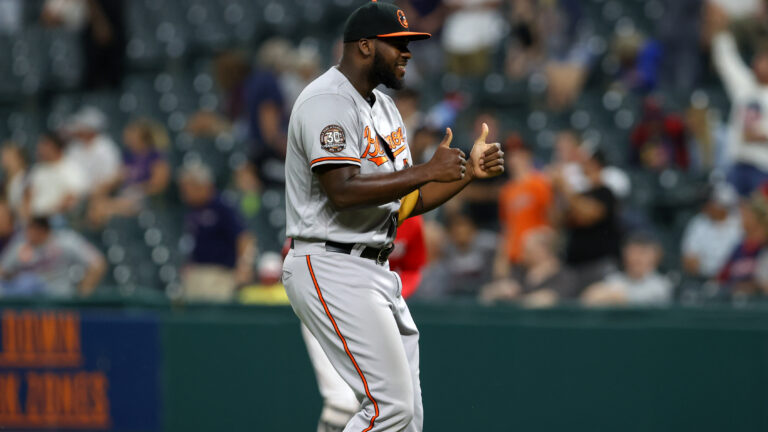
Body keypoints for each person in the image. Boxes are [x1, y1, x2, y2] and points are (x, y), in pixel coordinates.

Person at [281, 2, 504, 431]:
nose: (407, 53)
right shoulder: (327, 101)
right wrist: (426, 169)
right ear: (365, 46)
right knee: (390, 409)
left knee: (407, 418)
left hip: (373, 266)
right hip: (330, 261)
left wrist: (467, 174)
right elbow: (342, 191)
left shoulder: (383, 108)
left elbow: (405, 202)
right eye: (397, 44)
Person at [709, 6, 768, 196]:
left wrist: (763, 135)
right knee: (735, 216)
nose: (761, 64)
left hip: (763, 166)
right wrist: (721, 29)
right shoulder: (745, 85)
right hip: (735, 163)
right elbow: (726, 59)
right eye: (760, 59)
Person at [178, 162, 255, 303]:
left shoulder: (222, 207)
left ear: (201, 186)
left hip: (220, 274)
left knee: (213, 316)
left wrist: (244, 266)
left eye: (187, 188)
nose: (184, 194)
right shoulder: (192, 209)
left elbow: (244, 237)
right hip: (197, 272)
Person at [553, 149, 622, 294]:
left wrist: (564, 187)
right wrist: (556, 191)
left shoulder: (606, 192)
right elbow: (558, 221)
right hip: (575, 266)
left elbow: (589, 215)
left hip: (599, 264)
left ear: (596, 165)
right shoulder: (579, 195)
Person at [87, 118, 171, 227]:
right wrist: (101, 189)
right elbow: (118, 177)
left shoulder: (155, 156)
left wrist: (139, 189)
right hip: (125, 195)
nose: (128, 138)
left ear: (142, 137)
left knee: (103, 208)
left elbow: (159, 184)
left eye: (132, 135)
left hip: (144, 198)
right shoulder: (128, 156)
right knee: (97, 203)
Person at [0, 216, 105, 297]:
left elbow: (97, 262)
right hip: (26, 304)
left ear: (44, 230)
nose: (29, 233)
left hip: (59, 301)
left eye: (35, 229)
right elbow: (3, 270)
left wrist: (85, 290)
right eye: (29, 228)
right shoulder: (20, 245)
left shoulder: (66, 241)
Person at [494, 135, 552, 279]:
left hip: (536, 256)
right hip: (515, 256)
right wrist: (501, 258)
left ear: (527, 155)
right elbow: (507, 228)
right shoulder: (506, 191)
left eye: (519, 153)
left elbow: (551, 220)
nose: (514, 158)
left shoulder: (540, 183)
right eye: (511, 155)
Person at [482, 227, 576, 307]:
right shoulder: (519, 271)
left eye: (527, 251)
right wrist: (497, 290)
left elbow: (549, 298)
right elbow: (486, 294)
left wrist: (517, 301)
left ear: (544, 250)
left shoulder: (565, 276)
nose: (522, 255)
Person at [582, 232, 673, 306]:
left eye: (642, 253)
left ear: (655, 257)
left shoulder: (662, 284)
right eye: (633, 253)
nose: (636, 258)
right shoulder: (615, 279)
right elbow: (588, 298)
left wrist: (619, 298)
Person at [681, 183, 743, 278]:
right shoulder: (699, 222)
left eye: (709, 203)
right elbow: (689, 260)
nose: (705, 207)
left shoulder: (740, 222)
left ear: (720, 204)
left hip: (732, 278)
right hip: (703, 277)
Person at [22, 131, 87, 220]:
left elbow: (72, 198)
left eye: (45, 145)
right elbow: (27, 195)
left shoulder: (71, 168)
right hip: (35, 220)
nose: (40, 149)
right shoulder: (37, 169)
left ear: (56, 147)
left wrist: (48, 213)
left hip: (60, 218)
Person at [63, 106, 121, 195]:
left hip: (99, 193)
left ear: (90, 129)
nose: (78, 129)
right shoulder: (74, 147)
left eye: (82, 126)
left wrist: (95, 191)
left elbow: (111, 177)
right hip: (75, 193)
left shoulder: (106, 148)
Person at [0, 142, 28, 215]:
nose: (4, 161)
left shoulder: (26, 179)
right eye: (4, 157)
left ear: (20, 158)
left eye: (9, 157)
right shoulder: (6, 182)